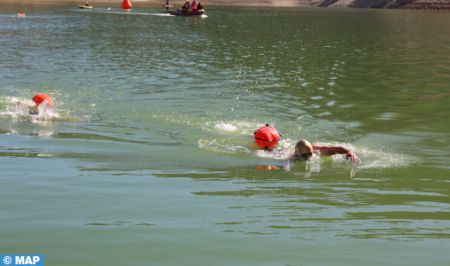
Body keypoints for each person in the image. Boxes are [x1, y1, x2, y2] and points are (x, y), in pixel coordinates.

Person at [292, 139, 360, 163]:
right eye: (304, 155)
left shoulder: (317, 150)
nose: (308, 157)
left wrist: (350, 153)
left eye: (310, 154)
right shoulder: (286, 156)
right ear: (297, 152)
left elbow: (338, 149)